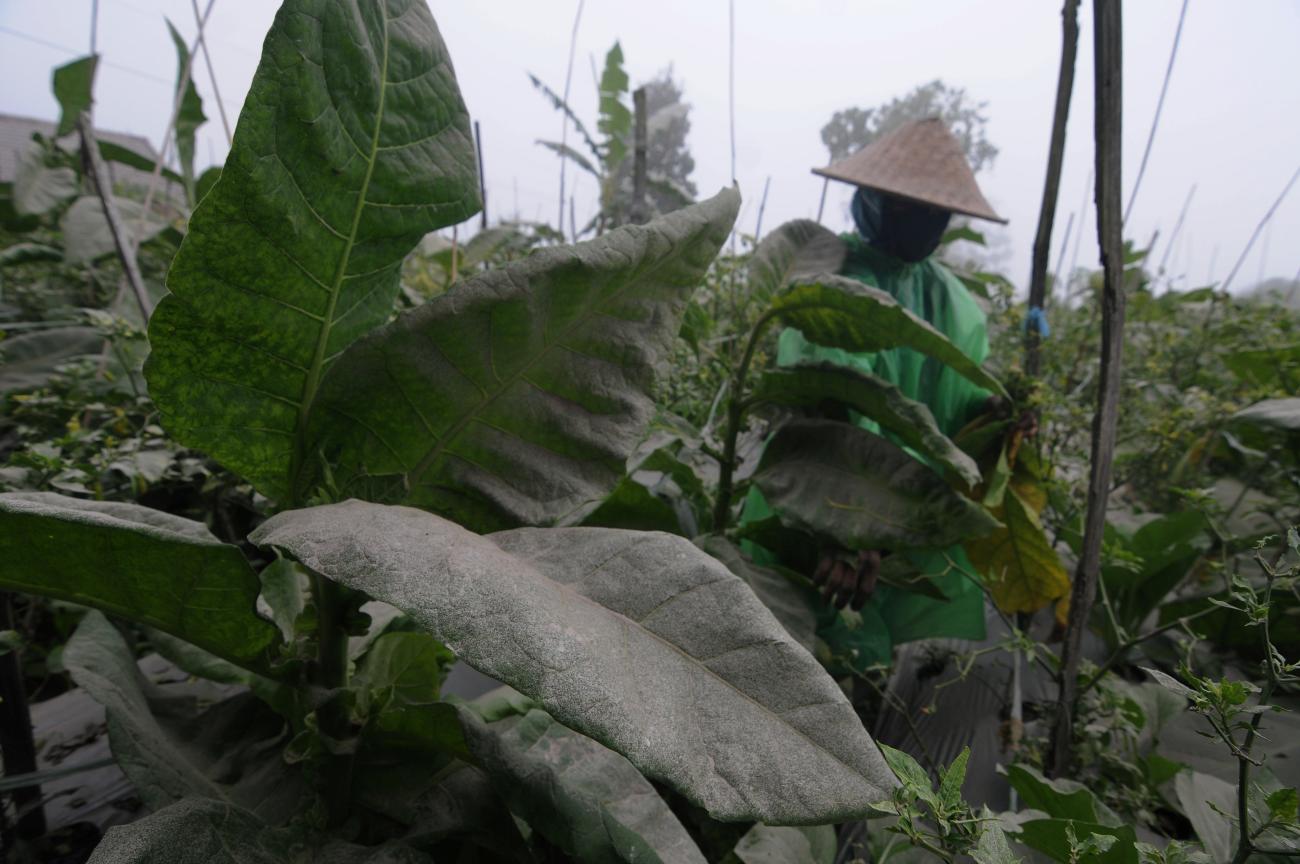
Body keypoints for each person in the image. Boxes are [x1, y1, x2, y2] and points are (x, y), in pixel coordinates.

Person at [741, 117, 1009, 664]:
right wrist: (843, 528)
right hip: (823, 503)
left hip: (896, 526)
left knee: (853, 656)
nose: (920, 222)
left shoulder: (952, 302)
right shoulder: (832, 281)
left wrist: (997, 418)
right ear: (871, 200)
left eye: (933, 211)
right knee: (783, 646)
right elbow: (824, 412)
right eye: (905, 206)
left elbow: (951, 415)